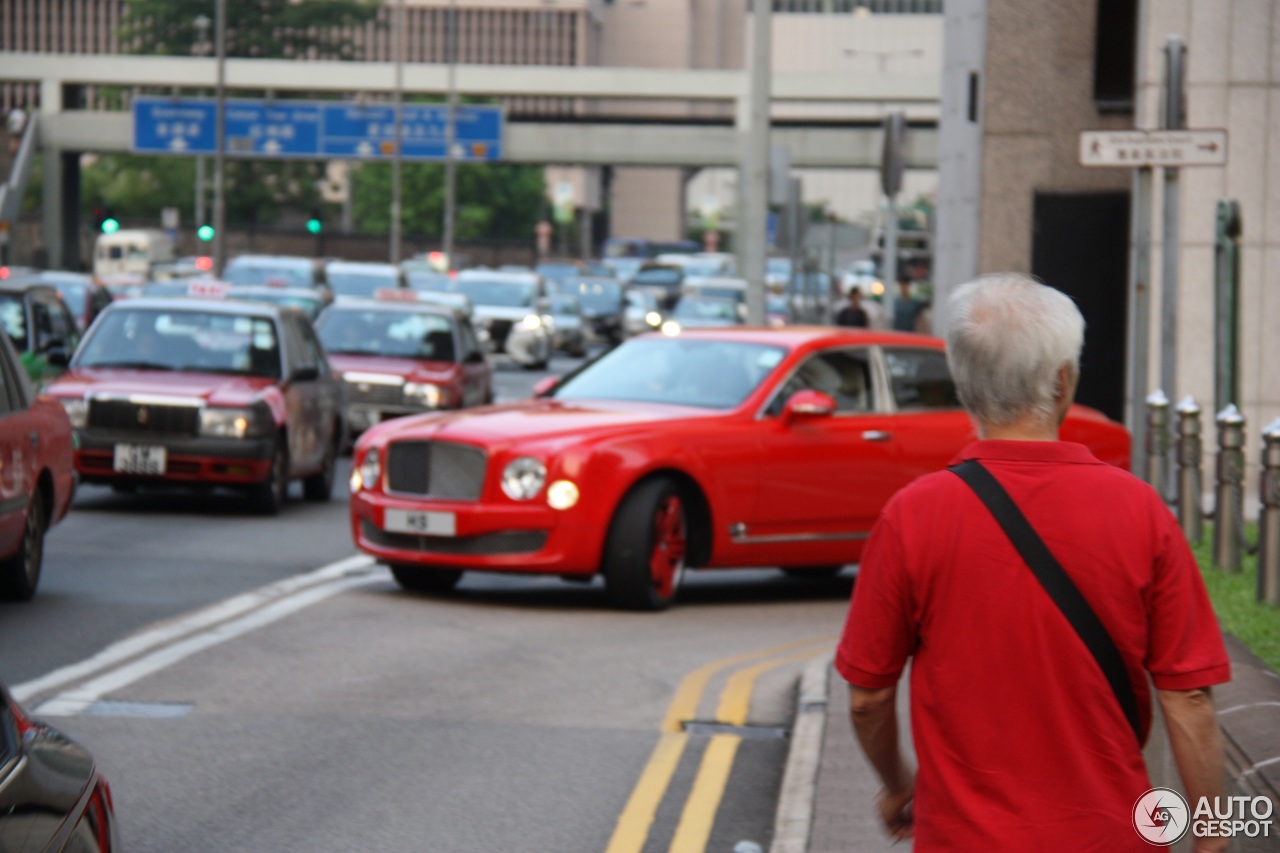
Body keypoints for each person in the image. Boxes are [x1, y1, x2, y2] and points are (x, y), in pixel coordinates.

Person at [836, 272, 1230, 852]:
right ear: (1063, 380)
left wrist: (897, 785)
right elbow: (1189, 699)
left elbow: (868, 696)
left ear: (963, 381)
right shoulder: (1140, 511)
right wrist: (1214, 840)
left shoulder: (912, 516)